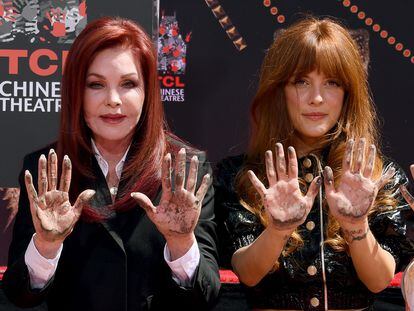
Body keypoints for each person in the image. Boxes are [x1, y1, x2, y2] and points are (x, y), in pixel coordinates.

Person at [3, 17, 220, 311]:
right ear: (76, 92)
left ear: (148, 92)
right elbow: (20, 295)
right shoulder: (45, 170)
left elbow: (205, 296)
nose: (113, 100)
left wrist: (180, 241)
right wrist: (46, 245)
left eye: (128, 84)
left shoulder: (186, 168)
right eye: (96, 85)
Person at [214, 17, 414, 310]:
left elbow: (379, 281)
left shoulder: (378, 176)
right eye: (301, 82)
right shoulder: (243, 175)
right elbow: (248, 273)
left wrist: (356, 225)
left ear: (348, 94)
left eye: (331, 83)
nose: (316, 98)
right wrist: (278, 230)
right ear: (279, 90)